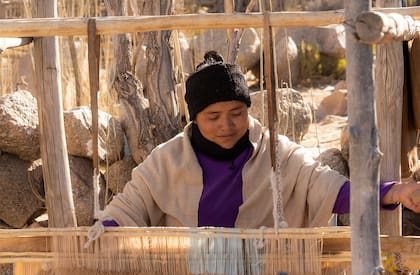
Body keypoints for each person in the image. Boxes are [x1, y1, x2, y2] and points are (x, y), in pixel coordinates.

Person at [91, 50, 420, 234]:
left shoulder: (276, 154)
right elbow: (127, 208)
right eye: (213, 117)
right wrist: (99, 233)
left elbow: (329, 188)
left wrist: (392, 191)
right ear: (194, 118)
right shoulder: (166, 161)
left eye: (236, 112)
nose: (227, 125)